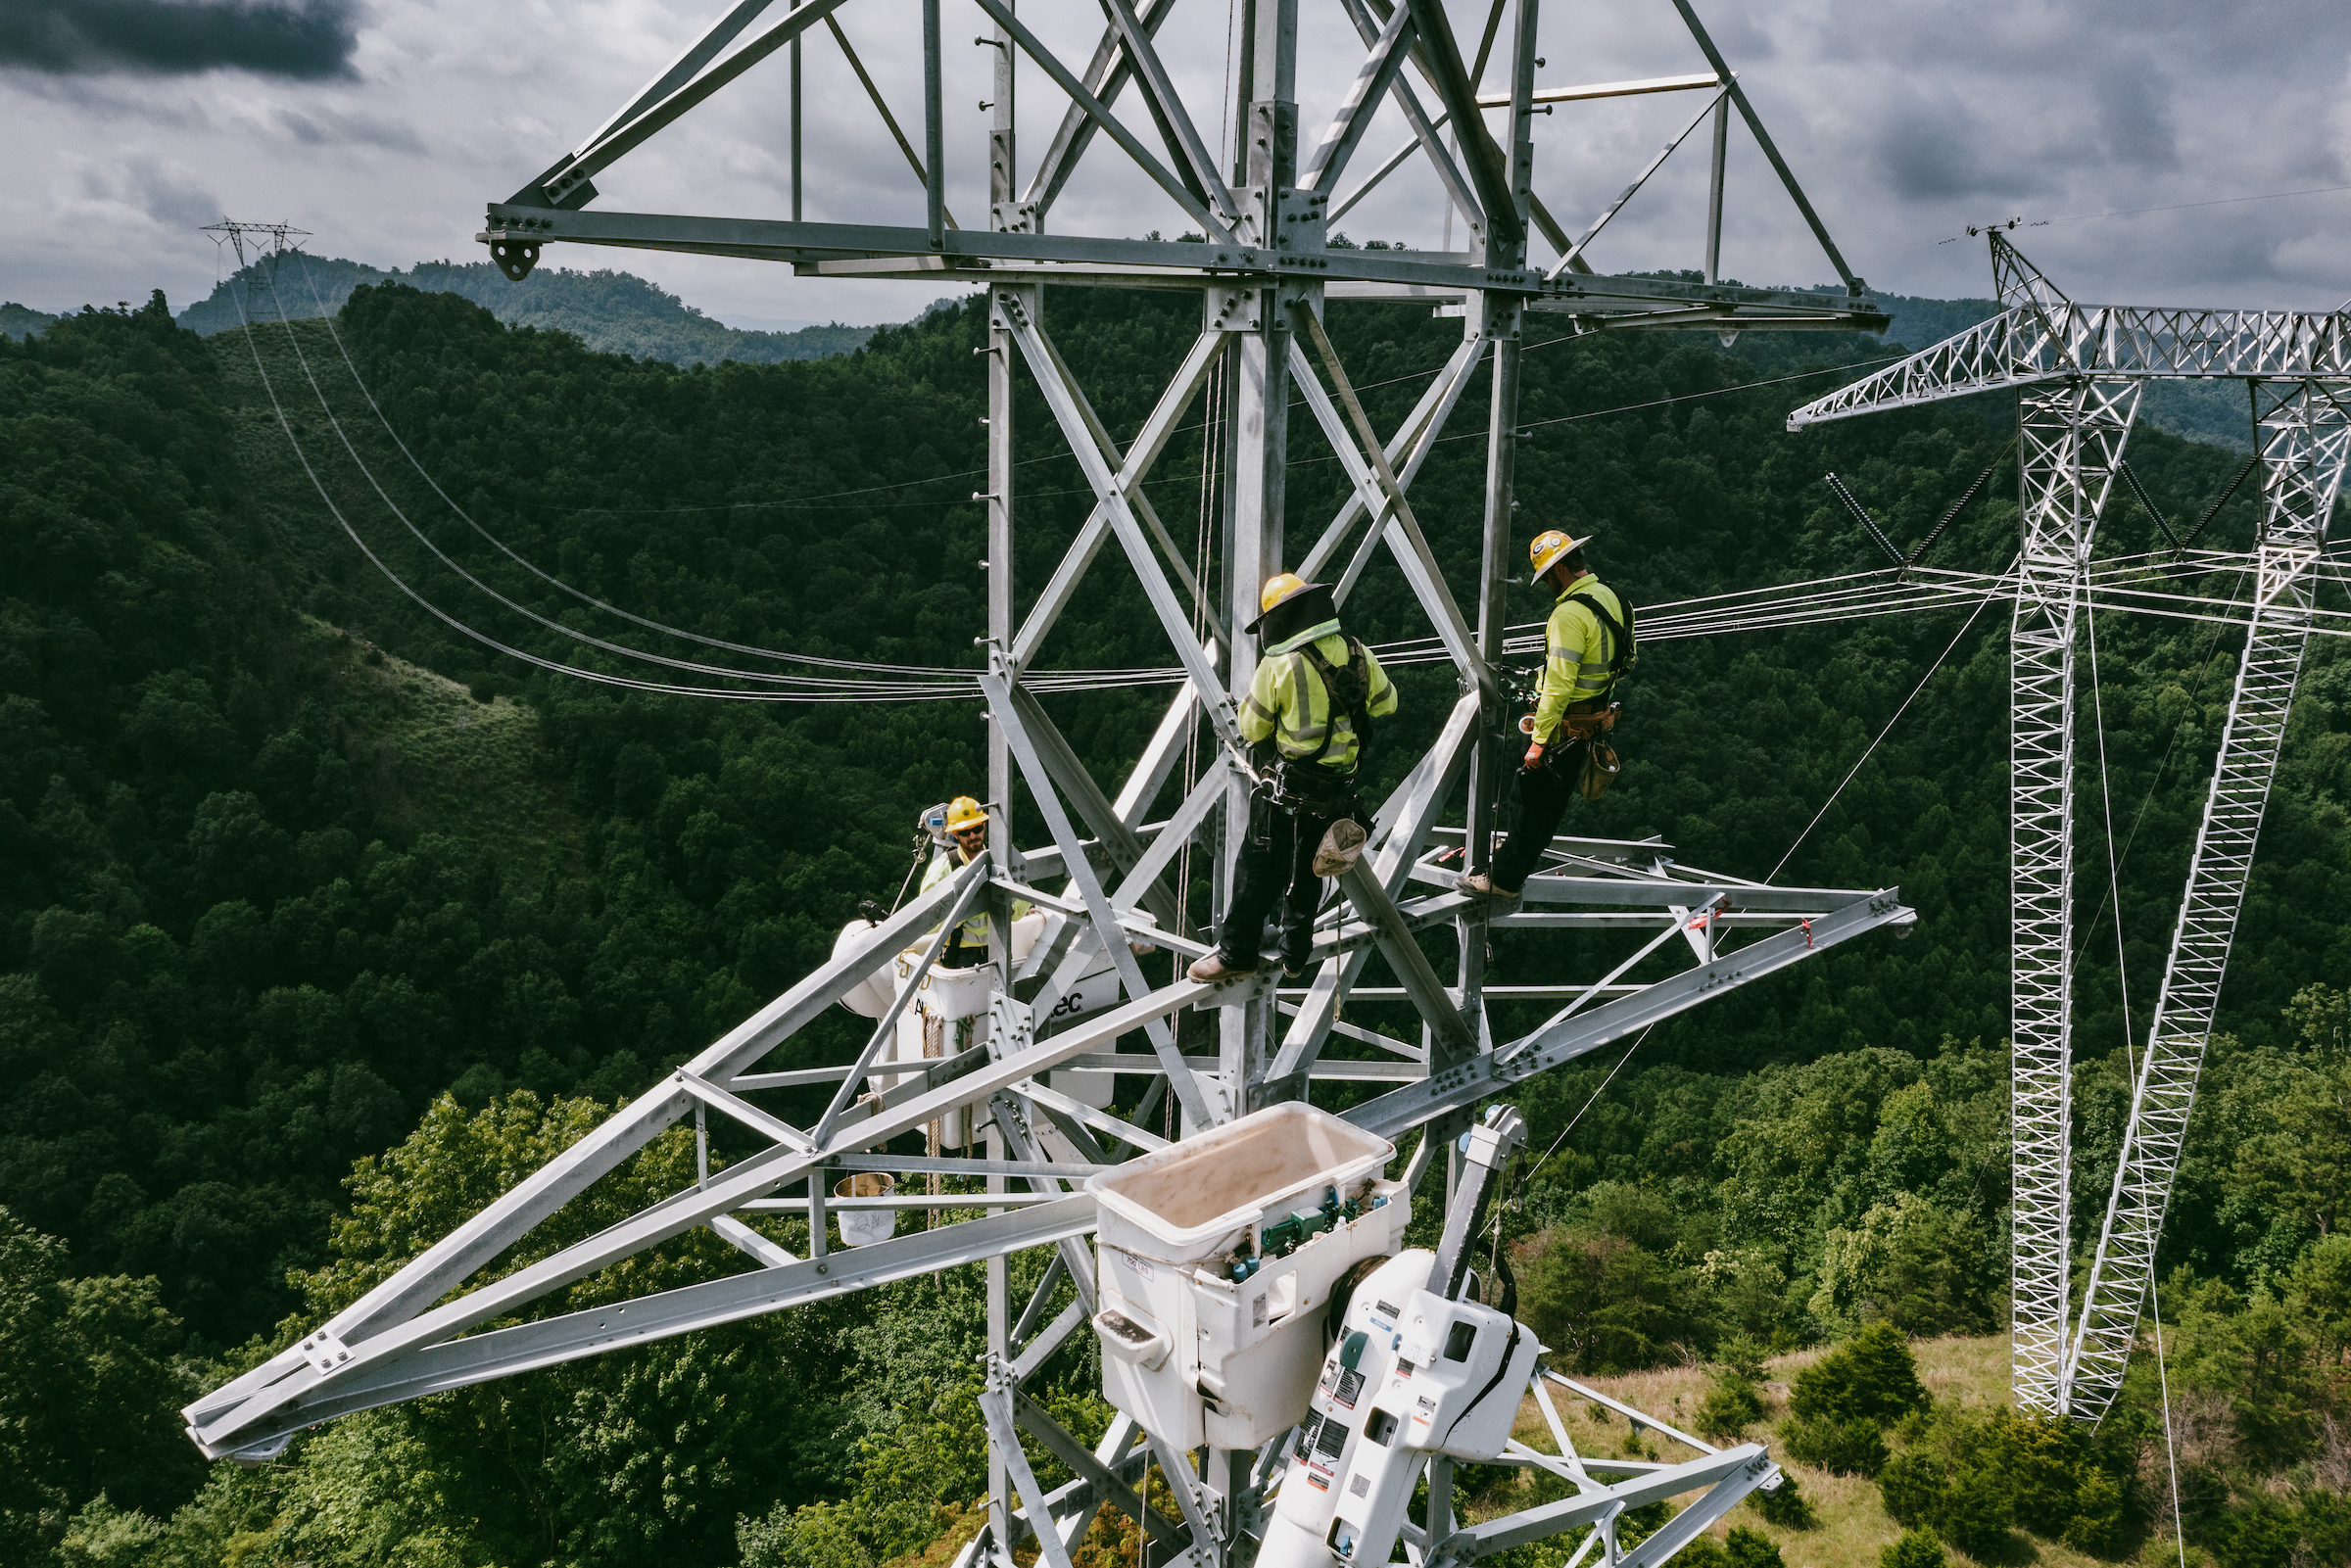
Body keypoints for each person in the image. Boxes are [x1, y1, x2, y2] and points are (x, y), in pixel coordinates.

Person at [1189, 574, 1398, 983]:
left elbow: (1251, 730)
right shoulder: (1358, 652)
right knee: (1310, 875)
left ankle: (1236, 953)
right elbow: (1387, 705)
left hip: (1289, 794)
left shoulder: (1278, 665)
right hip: (1338, 794)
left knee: (1258, 873)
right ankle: (1295, 955)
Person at [1460, 530, 1635, 900]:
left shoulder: (1568, 614)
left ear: (1556, 572)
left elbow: (1558, 684)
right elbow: (1626, 661)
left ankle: (1503, 880)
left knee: (1528, 802)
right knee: (1550, 807)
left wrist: (1539, 741)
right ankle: (1514, 864)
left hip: (1562, 727)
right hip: (1592, 724)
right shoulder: (1616, 598)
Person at [921, 795, 1011, 968]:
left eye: (976, 828)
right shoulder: (943, 869)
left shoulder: (1000, 862)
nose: (972, 836)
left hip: (1000, 951)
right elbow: (927, 922)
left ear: (984, 826)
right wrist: (964, 910)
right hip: (961, 956)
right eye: (964, 832)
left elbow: (1022, 904)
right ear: (955, 834)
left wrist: (1005, 904)